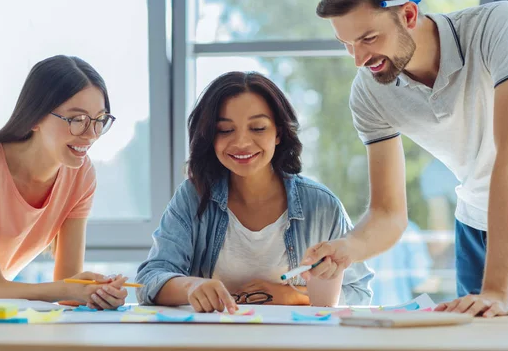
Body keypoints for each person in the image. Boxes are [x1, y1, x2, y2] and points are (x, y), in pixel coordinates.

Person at [300, 0, 508, 318]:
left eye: (368, 38)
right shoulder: (369, 93)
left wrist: (494, 290)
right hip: (476, 230)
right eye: (346, 44)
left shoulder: (496, 26)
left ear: (408, 14)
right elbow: (388, 213)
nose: (358, 59)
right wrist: (348, 248)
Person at [136, 71, 373, 313]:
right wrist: (190, 286)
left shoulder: (322, 206)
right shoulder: (193, 197)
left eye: (258, 128)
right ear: (210, 136)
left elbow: (359, 292)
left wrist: (292, 296)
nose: (241, 143)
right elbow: (148, 280)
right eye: (225, 130)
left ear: (278, 133)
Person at [0, 55, 128, 309]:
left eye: (99, 120)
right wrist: (71, 287)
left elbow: (67, 292)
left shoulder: (81, 174)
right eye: (77, 120)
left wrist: (95, 293)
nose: (91, 134)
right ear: (36, 117)